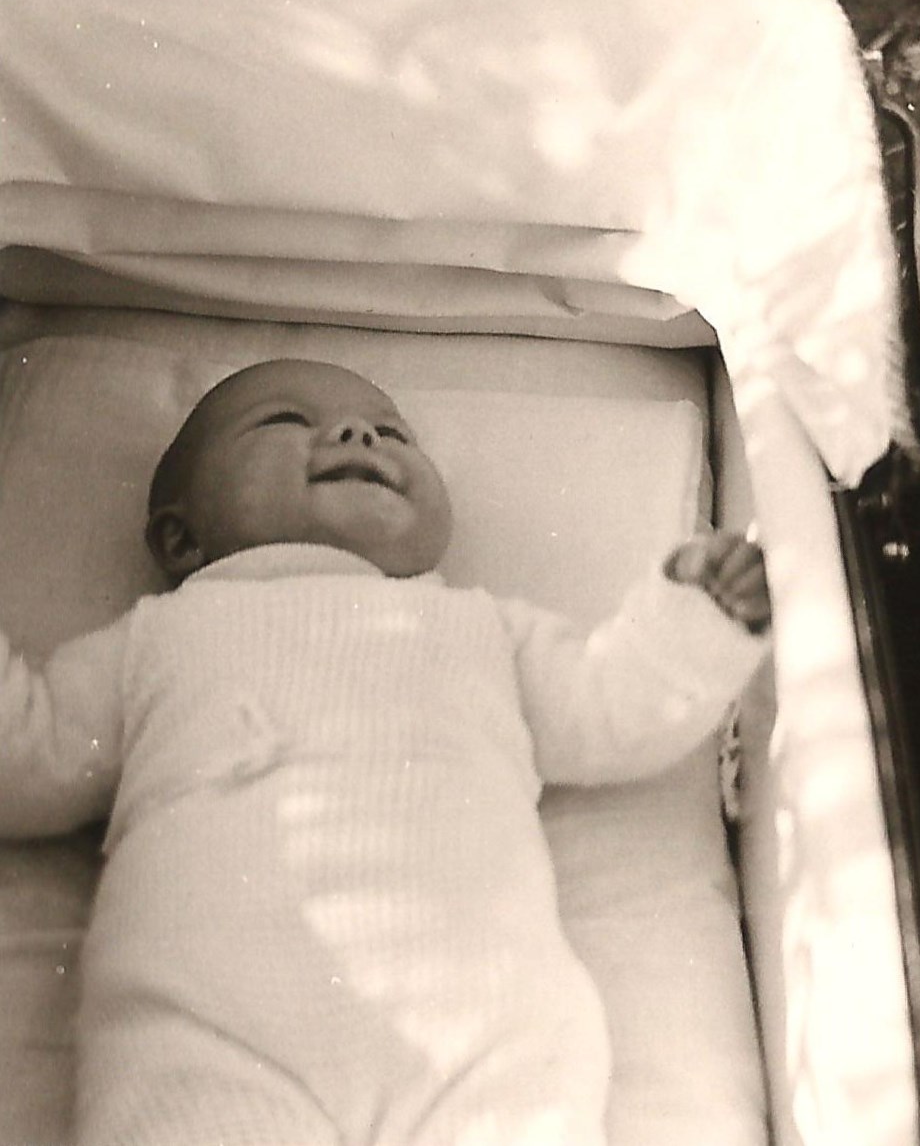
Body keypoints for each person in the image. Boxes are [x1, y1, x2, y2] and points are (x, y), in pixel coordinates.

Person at [0, 358, 770, 1146]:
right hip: (210, 1032)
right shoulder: (153, 642)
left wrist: (696, 621)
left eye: (393, 433)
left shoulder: (483, 630)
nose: (357, 434)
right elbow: (26, 759)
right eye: (284, 420)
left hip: (480, 1033)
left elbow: (610, 708)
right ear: (180, 536)